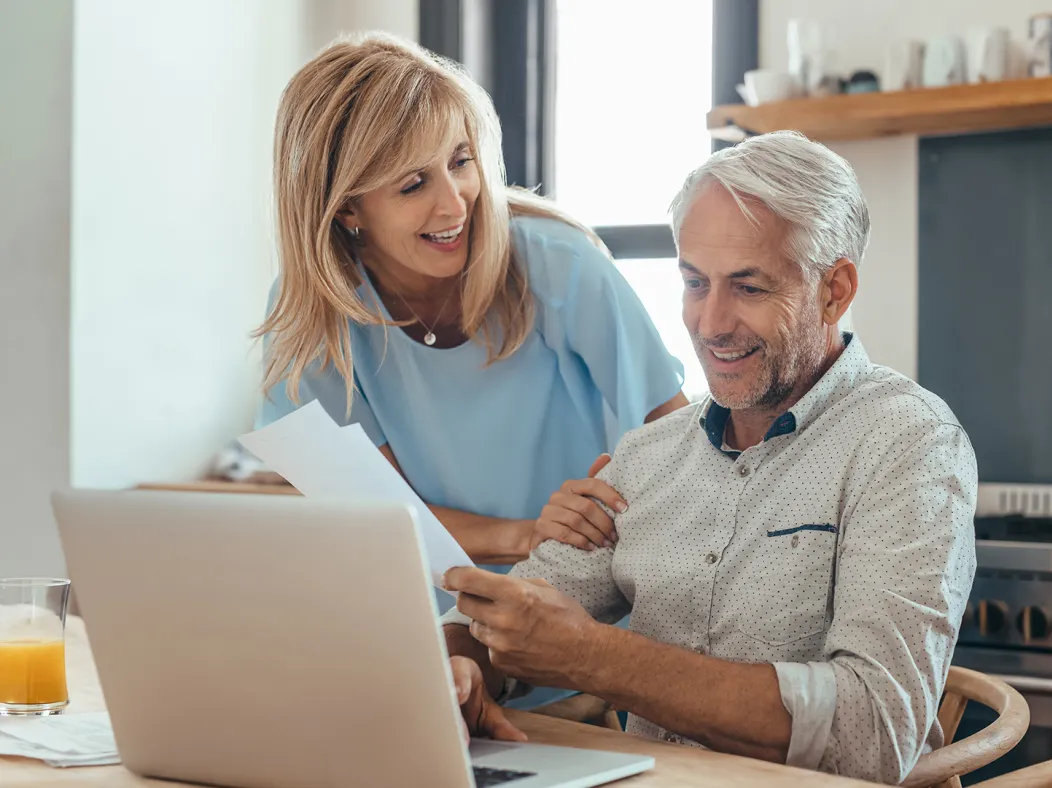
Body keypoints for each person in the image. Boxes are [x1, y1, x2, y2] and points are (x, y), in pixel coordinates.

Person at [439, 131, 979, 784]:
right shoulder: (644, 459)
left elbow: (875, 729)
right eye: (695, 283)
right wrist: (460, 662)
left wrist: (596, 658)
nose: (709, 322)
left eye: (748, 288)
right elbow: (512, 614)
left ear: (834, 289)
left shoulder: (908, 444)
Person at [255, 33, 687, 569]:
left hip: (583, 586)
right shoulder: (315, 313)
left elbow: (678, 444)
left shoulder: (560, 264)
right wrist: (528, 534)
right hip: (425, 602)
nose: (455, 201)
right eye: (414, 184)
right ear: (347, 210)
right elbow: (375, 514)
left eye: (459, 161)